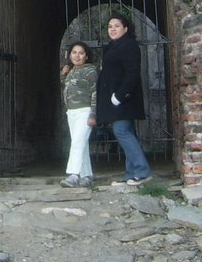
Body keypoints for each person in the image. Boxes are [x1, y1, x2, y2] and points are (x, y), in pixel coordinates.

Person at [95, 13, 152, 186]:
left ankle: (143, 171)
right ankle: (130, 174)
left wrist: (120, 96)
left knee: (121, 132)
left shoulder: (129, 45)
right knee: (127, 133)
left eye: (116, 26)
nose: (112, 29)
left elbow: (132, 73)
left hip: (124, 98)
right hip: (115, 99)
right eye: (110, 26)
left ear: (125, 29)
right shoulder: (112, 47)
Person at [59, 41, 97, 188]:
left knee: (76, 143)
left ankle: (73, 175)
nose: (77, 56)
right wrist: (63, 76)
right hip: (72, 112)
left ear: (86, 56)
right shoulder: (70, 71)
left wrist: (93, 114)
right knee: (81, 143)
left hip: (84, 111)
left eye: (81, 53)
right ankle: (87, 175)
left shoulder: (90, 71)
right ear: (70, 55)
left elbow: (95, 92)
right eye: (74, 52)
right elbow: (67, 89)